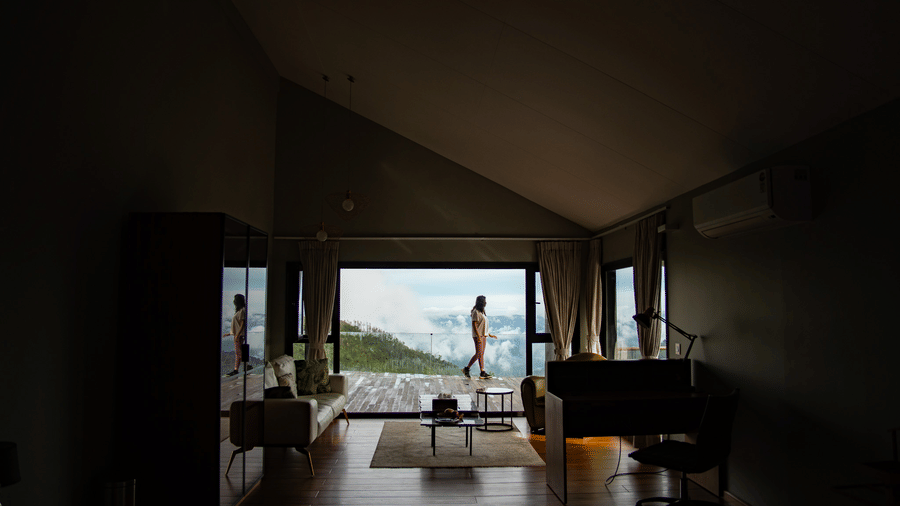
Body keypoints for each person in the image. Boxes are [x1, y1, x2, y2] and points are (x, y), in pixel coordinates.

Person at [463, 295, 496, 379]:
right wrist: (478, 336)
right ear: (481, 302)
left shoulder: (482, 312)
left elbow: (482, 325)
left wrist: (489, 334)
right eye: (484, 301)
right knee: (478, 354)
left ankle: (482, 372)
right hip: (479, 336)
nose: (486, 303)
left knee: (481, 354)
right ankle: (467, 368)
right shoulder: (476, 312)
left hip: (483, 335)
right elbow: (474, 324)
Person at [223, 294, 252, 376]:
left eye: (235, 300)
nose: (234, 301)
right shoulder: (240, 311)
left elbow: (242, 324)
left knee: (238, 353)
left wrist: (237, 335)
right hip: (237, 334)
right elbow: (238, 325)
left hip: (239, 335)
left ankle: (245, 367)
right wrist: (230, 333)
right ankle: (237, 369)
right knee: (238, 353)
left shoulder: (242, 310)